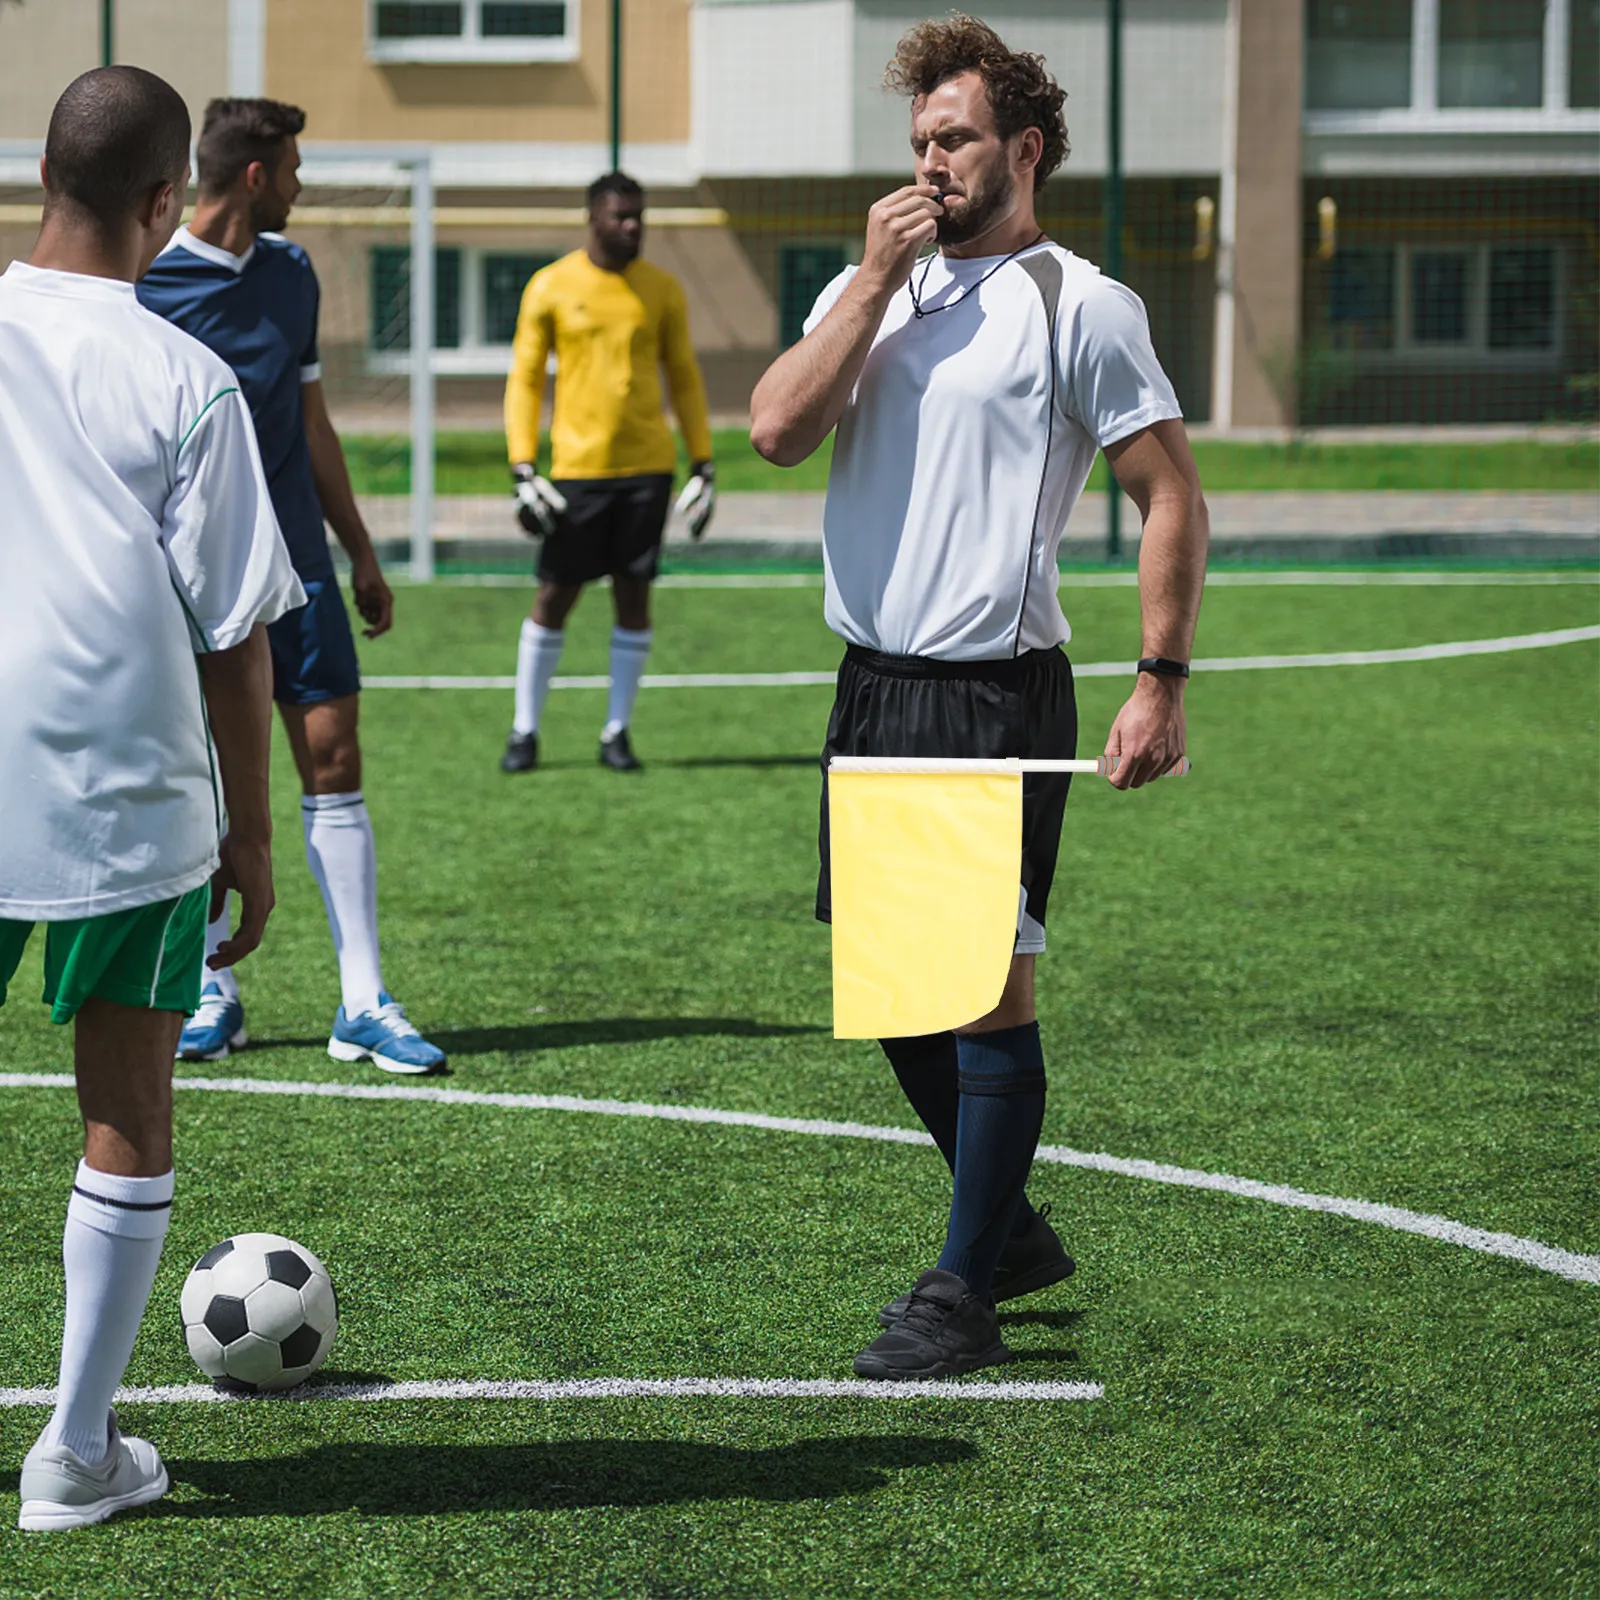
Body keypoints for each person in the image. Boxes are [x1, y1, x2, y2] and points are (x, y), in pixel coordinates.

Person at [750, 16, 1208, 1380]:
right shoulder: (871, 287)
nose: (929, 165)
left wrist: (1159, 681)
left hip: (991, 693)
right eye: (916, 145)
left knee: (980, 994)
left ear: (1023, 149)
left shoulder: (1083, 303)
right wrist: (870, 286)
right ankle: (1004, 1230)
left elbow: (1169, 496)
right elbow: (775, 428)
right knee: (896, 996)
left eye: (951, 140)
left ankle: (961, 1291)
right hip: (873, 686)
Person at [2, 66, 303, 1529]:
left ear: (39, 182)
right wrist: (250, 833)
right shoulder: (188, 376)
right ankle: (72, 1456)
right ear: (164, 203)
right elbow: (234, 633)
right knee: (125, 1109)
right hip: (125, 793)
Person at [137, 98, 446, 1075]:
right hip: (187, 573)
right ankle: (207, 987)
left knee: (333, 752)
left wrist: (357, 548)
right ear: (256, 176)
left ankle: (362, 1000)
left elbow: (312, 422)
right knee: (201, 775)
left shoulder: (293, 273)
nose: (306, 183)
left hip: (300, 563)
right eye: (297, 167)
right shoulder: (143, 286)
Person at [500, 171, 716, 774]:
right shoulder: (551, 287)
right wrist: (523, 464)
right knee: (554, 595)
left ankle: (616, 733)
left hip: (648, 470)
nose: (632, 227)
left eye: (639, 216)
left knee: (634, 596)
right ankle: (525, 731)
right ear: (592, 218)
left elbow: (685, 377)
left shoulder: (663, 289)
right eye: (621, 217)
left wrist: (703, 460)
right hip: (575, 472)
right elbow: (522, 379)